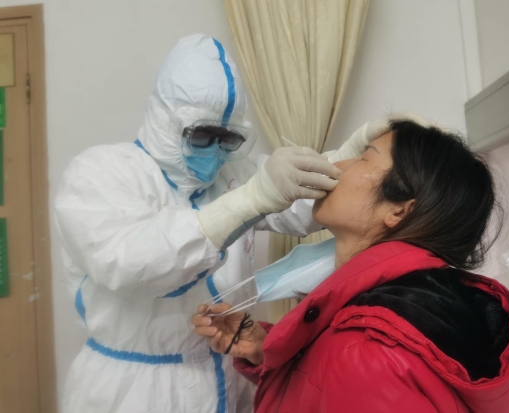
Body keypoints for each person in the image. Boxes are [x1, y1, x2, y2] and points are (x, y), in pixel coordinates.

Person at [55, 34, 388, 413]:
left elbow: (305, 205)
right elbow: (130, 263)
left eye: (226, 138)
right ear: (165, 119)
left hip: (227, 371)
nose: (215, 150)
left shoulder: (231, 173)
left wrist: (352, 153)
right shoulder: (101, 173)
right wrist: (247, 201)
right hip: (132, 389)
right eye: (202, 134)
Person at [192, 118, 509, 413]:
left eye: (365, 157)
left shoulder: (366, 350)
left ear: (398, 210)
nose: (339, 165)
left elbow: (360, 373)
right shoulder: (417, 307)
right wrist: (263, 349)